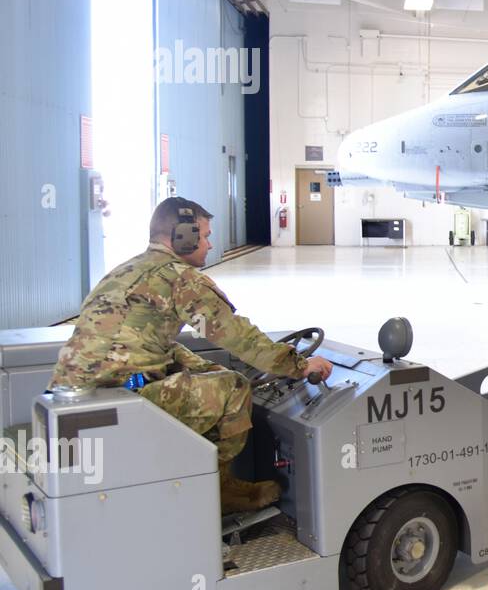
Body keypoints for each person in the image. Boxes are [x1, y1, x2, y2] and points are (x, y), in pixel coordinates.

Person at [50, 198, 333, 512]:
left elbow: (156, 344)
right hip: (117, 402)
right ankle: (220, 489)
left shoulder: (126, 270)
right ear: (183, 235)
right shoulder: (180, 279)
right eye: (206, 236)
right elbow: (238, 336)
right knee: (235, 388)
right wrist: (300, 364)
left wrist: (205, 368)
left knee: (208, 374)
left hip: (77, 399)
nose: (210, 244)